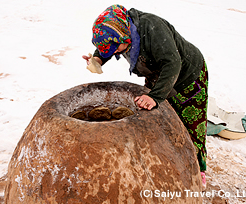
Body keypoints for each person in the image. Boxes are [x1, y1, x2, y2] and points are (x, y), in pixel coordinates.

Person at [82, 4, 208, 190]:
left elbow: (173, 64)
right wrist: (98, 59)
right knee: (158, 118)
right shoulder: (120, 31)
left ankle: (198, 169)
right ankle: (166, 157)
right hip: (157, 73)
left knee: (192, 125)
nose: (116, 52)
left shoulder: (153, 29)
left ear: (125, 36)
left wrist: (155, 96)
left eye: (116, 48)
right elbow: (108, 44)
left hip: (187, 76)